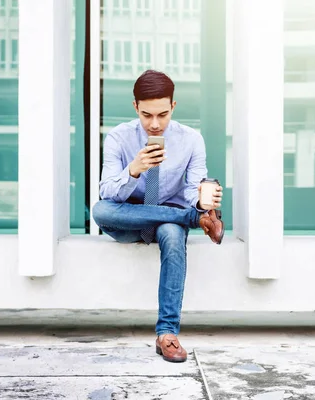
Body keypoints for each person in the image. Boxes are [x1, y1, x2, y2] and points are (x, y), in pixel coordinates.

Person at [92, 70, 224, 363]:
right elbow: (107, 193)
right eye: (147, 115)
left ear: (173, 107)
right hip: (128, 220)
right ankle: (193, 220)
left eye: (162, 115)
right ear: (135, 107)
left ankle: (167, 334)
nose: (154, 124)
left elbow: (192, 189)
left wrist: (204, 199)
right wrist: (134, 170)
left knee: (173, 233)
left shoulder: (191, 140)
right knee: (100, 210)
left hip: (167, 223)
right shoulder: (118, 138)